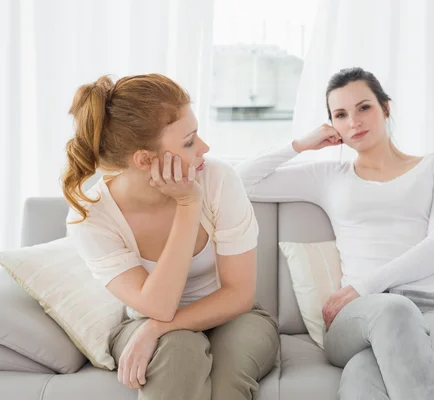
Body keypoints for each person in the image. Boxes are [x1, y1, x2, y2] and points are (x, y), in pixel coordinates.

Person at [236, 67, 434, 399]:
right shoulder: (329, 177)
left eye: (364, 107)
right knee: (394, 310)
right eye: (341, 115)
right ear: (331, 125)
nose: (354, 122)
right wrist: (301, 144)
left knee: (364, 374)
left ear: (385, 108)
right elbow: (239, 183)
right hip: (359, 315)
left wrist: (364, 285)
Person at [62, 73, 279, 400]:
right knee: (179, 350)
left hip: (234, 316)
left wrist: (158, 328)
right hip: (144, 322)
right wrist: (188, 205)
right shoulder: (91, 219)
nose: (205, 148)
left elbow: (239, 293)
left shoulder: (218, 179)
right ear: (145, 160)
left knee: (229, 376)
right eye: (190, 141)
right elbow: (158, 306)